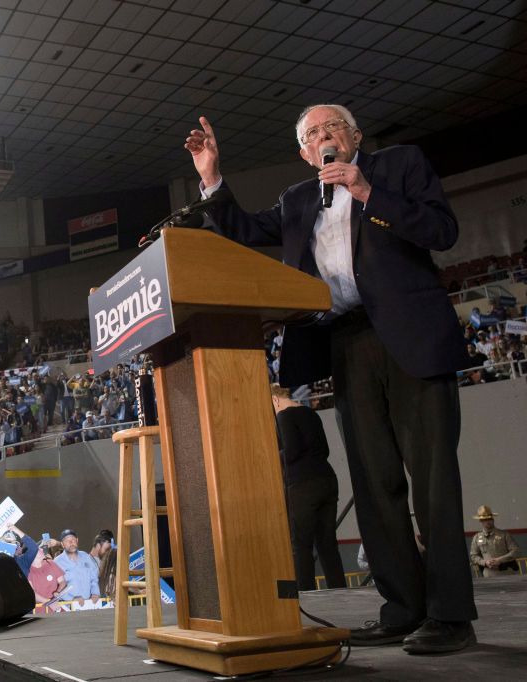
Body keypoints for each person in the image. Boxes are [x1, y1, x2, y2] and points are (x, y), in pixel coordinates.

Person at [186, 104, 477, 654]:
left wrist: (367, 192)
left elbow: (443, 230)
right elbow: (245, 231)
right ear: (302, 152)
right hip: (344, 342)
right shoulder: (298, 200)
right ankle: (402, 607)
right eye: (312, 134)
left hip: (410, 338)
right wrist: (211, 178)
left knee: (433, 482)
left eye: (331, 129)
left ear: (355, 136)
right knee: (374, 484)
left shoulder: (397, 167)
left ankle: (451, 616)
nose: (323, 138)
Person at [271, 386, 346, 591]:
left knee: (301, 544)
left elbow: (291, 451)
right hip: (327, 480)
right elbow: (326, 450)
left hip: (303, 485)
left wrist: (272, 457)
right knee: (327, 543)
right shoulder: (310, 414)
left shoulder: (284, 416)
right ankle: (339, 590)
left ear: (275, 400)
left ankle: (306, 594)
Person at [469, 506, 519, 577]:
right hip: (488, 574)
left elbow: (516, 551)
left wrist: (500, 560)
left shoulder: (504, 535)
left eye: (490, 519)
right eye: (485, 519)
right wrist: (485, 562)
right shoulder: (477, 537)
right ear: (480, 521)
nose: (488, 521)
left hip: (506, 573)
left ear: (493, 519)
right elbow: (474, 555)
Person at [52, 529, 99, 604]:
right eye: (67, 540)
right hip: (68, 606)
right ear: (62, 544)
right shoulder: (57, 562)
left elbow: (94, 579)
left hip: (89, 604)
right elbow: (55, 589)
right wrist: (72, 599)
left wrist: (95, 593)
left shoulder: (86, 557)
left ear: (77, 540)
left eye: (73, 539)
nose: (71, 543)